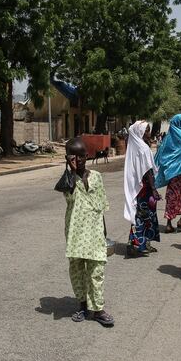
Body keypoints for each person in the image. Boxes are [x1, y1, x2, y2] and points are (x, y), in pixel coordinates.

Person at [62, 137, 114, 327]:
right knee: (77, 269)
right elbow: (68, 196)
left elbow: (101, 206)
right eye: (73, 156)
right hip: (75, 231)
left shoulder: (97, 177)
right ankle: (82, 305)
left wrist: (104, 233)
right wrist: (71, 170)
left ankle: (98, 309)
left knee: (97, 270)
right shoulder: (68, 179)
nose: (79, 160)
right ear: (67, 158)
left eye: (82, 156)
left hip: (94, 231)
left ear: (87, 155)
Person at [124, 121, 161, 257]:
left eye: (148, 130)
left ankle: (142, 243)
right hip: (145, 189)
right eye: (146, 131)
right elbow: (148, 171)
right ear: (139, 132)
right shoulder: (143, 148)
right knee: (144, 216)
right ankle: (137, 244)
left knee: (140, 215)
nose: (149, 133)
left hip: (137, 188)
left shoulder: (133, 147)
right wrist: (154, 189)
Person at [154, 114, 181, 234]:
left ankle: (170, 223)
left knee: (172, 198)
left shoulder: (168, 138)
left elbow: (161, 155)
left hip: (173, 175)